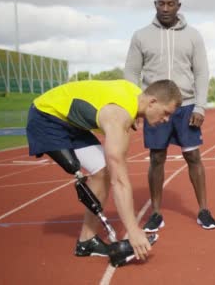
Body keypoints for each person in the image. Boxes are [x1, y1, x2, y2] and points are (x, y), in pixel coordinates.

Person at [26, 79, 182, 262]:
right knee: (110, 170)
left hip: (71, 123)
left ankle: (86, 241)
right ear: (152, 102)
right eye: (166, 113)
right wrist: (133, 230)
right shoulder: (118, 116)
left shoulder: (135, 96)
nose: (166, 120)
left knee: (103, 170)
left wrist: (133, 117)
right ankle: (88, 239)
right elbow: (120, 181)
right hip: (46, 117)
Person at [124, 0, 215, 232]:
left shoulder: (193, 36)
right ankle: (155, 213)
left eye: (170, 4)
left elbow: (201, 72)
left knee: (193, 157)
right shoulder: (140, 36)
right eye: (161, 4)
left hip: (186, 106)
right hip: (155, 108)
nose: (165, 8)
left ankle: (204, 210)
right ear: (155, 4)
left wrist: (200, 106)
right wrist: (133, 108)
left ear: (178, 6)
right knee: (156, 158)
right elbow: (132, 73)